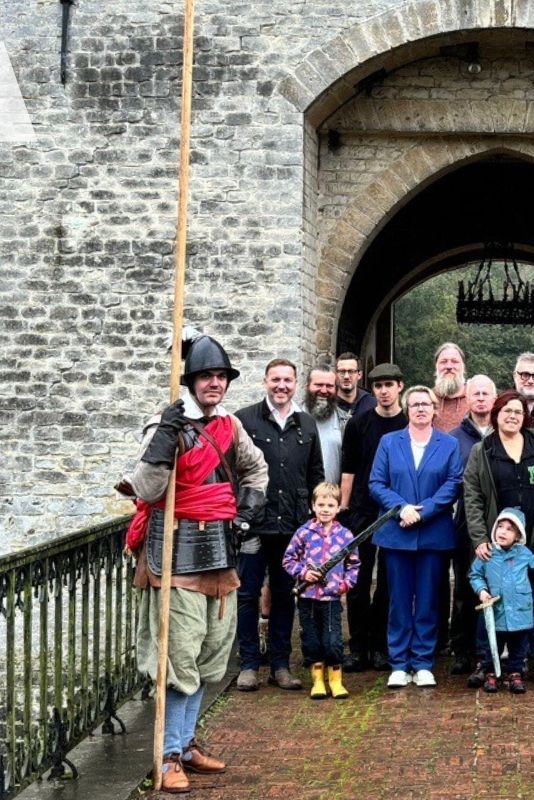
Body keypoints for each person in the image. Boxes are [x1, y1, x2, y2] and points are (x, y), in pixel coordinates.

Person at [121, 333, 267, 792]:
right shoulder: (163, 424)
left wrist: (246, 510)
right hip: (175, 551)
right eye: (206, 376)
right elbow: (145, 488)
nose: (215, 384)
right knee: (177, 657)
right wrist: (166, 434)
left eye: (221, 376)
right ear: (190, 379)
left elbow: (256, 469)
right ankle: (165, 756)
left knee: (208, 656)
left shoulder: (231, 426)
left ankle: (184, 744)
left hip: (220, 552)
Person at [463, 390, 534, 688]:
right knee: (493, 601)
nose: (512, 416)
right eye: (506, 411)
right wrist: (480, 537)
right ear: (496, 414)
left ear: (526, 417)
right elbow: (471, 497)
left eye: (518, 412)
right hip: (498, 541)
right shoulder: (483, 451)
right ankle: (488, 660)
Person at [233, 359, 326, 692]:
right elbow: (233, 472)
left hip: (293, 525)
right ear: (265, 382)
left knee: (286, 595)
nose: (282, 385)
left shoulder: (307, 424)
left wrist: (316, 521)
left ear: (296, 383)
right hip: (255, 525)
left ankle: (280, 665)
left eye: (288, 380)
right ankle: (248, 665)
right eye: (276, 379)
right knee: (247, 593)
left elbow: (316, 475)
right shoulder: (244, 420)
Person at [369, 385, 464, 688]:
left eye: (426, 404)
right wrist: (401, 509)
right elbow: (376, 482)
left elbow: (453, 483)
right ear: (407, 409)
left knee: (427, 599)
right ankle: (399, 662)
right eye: (415, 404)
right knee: (398, 599)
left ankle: (423, 661)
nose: (421, 409)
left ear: (435, 409)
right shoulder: (389, 442)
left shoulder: (448, 444)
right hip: (396, 533)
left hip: (433, 533)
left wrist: (424, 511)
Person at [339, 363, 408, 673]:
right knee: (358, 579)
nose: (383, 391)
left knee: (389, 583)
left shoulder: (408, 424)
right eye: (378, 385)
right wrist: (344, 508)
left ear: (400, 387)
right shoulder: (358, 424)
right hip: (363, 510)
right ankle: (358, 646)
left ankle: (381, 645)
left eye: (389, 384)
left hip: (395, 511)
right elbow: (349, 468)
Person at [468, 508, 534, 694]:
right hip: (496, 610)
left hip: (520, 610)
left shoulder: (523, 553)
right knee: (492, 645)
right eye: (500, 527)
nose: (503, 532)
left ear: (519, 535)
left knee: (518, 646)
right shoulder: (487, 552)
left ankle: (515, 673)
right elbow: (475, 574)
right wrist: (482, 591)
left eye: (509, 529)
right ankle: (491, 673)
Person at [282, 482, 358, 700]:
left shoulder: (345, 535)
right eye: (321, 504)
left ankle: (336, 680)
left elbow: (354, 564)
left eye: (330, 505)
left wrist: (344, 585)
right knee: (311, 640)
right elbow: (288, 559)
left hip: (332, 599)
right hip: (307, 598)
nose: (325, 509)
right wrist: (303, 573)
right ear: (313, 506)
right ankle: (317, 681)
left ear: (337, 508)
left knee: (333, 641)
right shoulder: (303, 533)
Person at [448, 374, 497, 673]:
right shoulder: (453, 438)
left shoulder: (504, 433)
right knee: (465, 588)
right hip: (466, 523)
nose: (480, 398)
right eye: (475, 393)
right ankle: (461, 648)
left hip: (500, 525)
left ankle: (490, 647)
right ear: (467, 399)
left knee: (495, 584)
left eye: (485, 393)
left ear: (494, 398)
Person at [304, 363, 348, 484]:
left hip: (332, 500)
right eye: (318, 385)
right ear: (307, 387)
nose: (323, 390)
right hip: (298, 499)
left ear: (336, 390)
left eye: (329, 386)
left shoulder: (345, 421)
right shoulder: (293, 418)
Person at [433, 342, 470, 432]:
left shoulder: (476, 399)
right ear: (436, 367)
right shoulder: (427, 399)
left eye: (454, 361)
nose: (449, 366)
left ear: (463, 367)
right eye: (443, 362)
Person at [334, 352, 375, 417]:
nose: (346, 376)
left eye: (351, 371)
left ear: (359, 375)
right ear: (336, 375)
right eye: (342, 371)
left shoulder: (372, 404)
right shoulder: (328, 403)